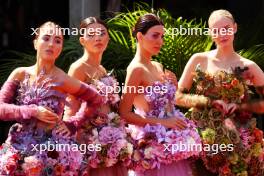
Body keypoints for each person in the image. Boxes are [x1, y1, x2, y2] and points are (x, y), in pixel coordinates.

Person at [0, 21, 103, 175]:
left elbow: (96, 99)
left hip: (54, 153)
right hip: (20, 147)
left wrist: (73, 124)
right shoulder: (20, 74)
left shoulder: (63, 79)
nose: (51, 44)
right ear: (35, 43)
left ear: (60, 48)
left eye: (57, 41)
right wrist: (33, 111)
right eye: (46, 38)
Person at [177, 9, 264, 176]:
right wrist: (206, 102)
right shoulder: (199, 59)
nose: (222, 34)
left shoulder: (249, 66)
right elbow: (178, 97)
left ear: (235, 28)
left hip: (237, 141)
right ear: (210, 33)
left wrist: (240, 106)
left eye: (226, 28)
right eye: (216, 30)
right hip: (200, 139)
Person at [119, 13, 200, 176]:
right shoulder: (136, 69)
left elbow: (167, 105)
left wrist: (174, 86)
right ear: (140, 36)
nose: (160, 41)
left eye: (162, 36)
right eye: (155, 35)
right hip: (153, 146)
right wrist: (164, 122)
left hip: (173, 143)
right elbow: (124, 113)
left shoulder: (157, 65)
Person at [64, 17, 130, 176]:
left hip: (111, 138)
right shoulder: (78, 68)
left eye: (102, 33)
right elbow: (70, 106)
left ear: (108, 38)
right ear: (82, 40)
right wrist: (69, 139)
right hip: (90, 139)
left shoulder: (101, 68)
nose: (98, 38)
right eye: (91, 34)